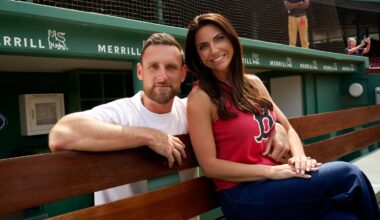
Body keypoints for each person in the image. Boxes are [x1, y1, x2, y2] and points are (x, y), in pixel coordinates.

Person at [48, 33, 289, 207]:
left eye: (171, 68)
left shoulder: (192, 110)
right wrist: (148, 136)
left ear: (183, 73)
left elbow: (244, 123)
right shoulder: (122, 112)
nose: (162, 76)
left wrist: (275, 126)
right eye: (153, 67)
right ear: (140, 72)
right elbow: (60, 134)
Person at [185, 13, 380, 220]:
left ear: (231, 39)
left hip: (280, 186)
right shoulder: (201, 98)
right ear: (197, 55)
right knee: (349, 176)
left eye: (218, 38)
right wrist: (270, 172)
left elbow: (287, 128)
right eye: (203, 46)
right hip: (244, 196)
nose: (213, 50)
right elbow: (210, 166)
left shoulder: (254, 83)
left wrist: (299, 157)